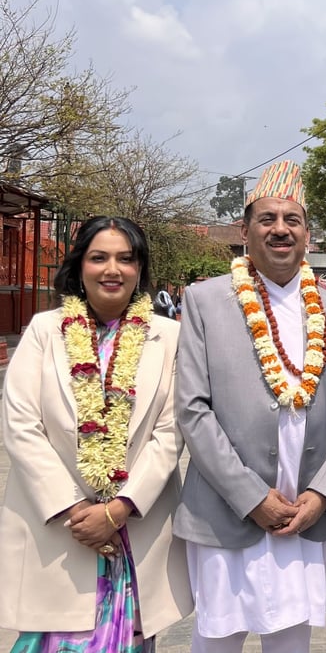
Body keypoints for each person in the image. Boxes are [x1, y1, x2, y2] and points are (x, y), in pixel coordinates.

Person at [173, 159, 326, 653]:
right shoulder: (205, 300)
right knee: (217, 639)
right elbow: (192, 408)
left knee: (291, 640)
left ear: (307, 234)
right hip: (227, 508)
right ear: (245, 229)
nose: (280, 230)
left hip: (304, 512)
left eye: (291, 220)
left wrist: (324, 492)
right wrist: (251, 497)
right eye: (267, 219)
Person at [0, 216, 193, 651]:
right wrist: (73, 507)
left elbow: (170, 433)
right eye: (99, 257)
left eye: (126, 259)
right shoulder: (44, 332)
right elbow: (21, 426)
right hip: (60, 527)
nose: (113, 269)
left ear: (140, 269)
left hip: (135, 529)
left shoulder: (169, 337)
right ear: (79, 265)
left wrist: (120, 508)